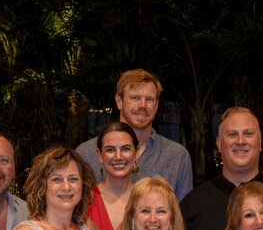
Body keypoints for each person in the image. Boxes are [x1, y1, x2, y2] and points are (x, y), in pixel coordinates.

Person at [75, 68, 194, 198]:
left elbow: (184, 210)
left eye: (149, 99)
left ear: (156, 105)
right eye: (135, 98)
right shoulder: (86, 154)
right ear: (119, 101)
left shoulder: (177, 157)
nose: (142, 105)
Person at [85, 120, 139, 230]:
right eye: (110, 149)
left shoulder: (149, 201)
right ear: (100, 155)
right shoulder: (85, 201)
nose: (118, 156)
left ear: (137, 153)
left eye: (125, 149)